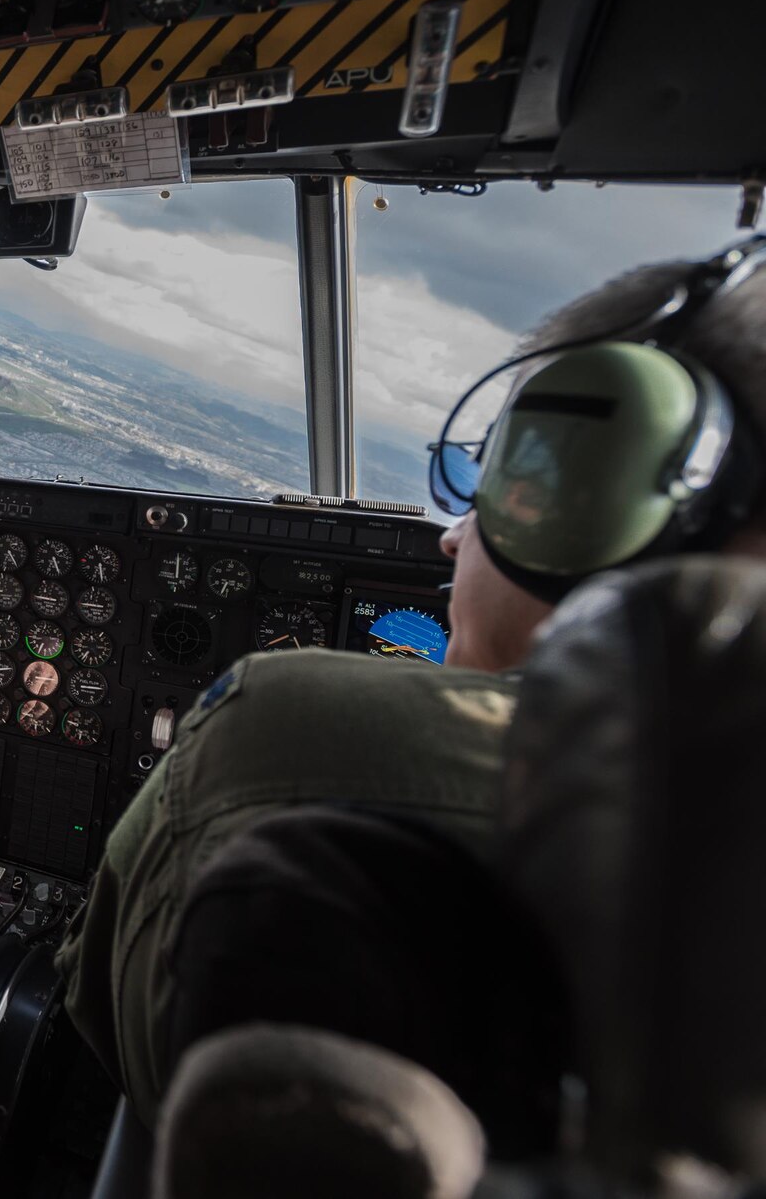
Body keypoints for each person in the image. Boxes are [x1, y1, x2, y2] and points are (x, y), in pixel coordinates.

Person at [56, 246, 766, 1126]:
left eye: (508, 479)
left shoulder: (280, 726)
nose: (452, 537)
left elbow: (92, 1000)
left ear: (602, 502)